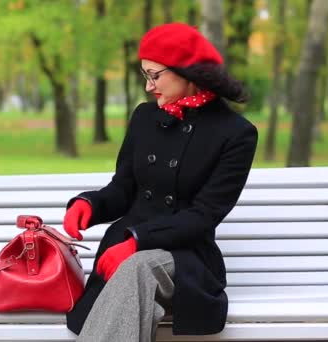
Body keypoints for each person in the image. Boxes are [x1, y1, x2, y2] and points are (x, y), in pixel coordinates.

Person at [62, 22, 258, 342]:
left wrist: (138, 240)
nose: (148, 87)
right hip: (124, 253)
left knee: (138, 267)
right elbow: (124, 188)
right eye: (145, 75)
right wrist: (89, 204)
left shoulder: (236, 134)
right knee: (134, 277)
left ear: (188, 72)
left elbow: (203, 216)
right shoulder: (144, 117)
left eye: (155, 75)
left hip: (186, 258)